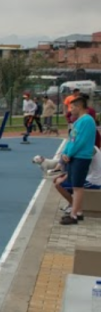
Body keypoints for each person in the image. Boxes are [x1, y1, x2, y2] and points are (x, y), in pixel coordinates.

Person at [60, 96, 98, 225]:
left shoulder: (87, 121)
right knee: (74, 185)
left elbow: (80, 141)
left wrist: (69, 154)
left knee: (77, 187)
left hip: (81, 157)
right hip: (74, 156)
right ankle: (78, 211)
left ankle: (74, 215)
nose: (70, 110)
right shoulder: (78, 121)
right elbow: (71, 139)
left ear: (79, 106)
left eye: (72, 107)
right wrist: (65, 152)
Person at [54, 145, 101, 220]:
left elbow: (79, 168)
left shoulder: (90, 149)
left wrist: (63, 178)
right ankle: (73, 205)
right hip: (91, 177)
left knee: (59, 184)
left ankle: (75, 207)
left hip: (93, 181)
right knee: (62, 181)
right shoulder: (91, 147)